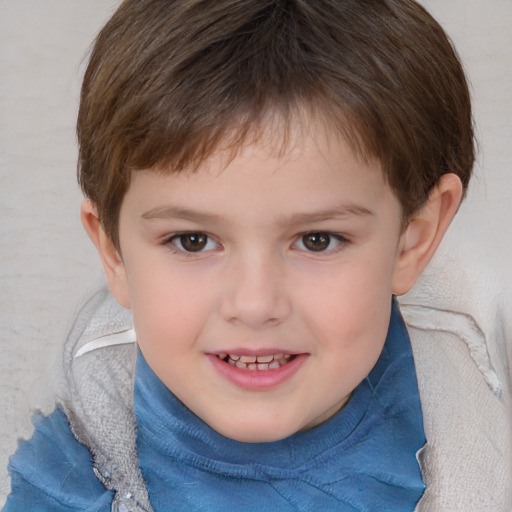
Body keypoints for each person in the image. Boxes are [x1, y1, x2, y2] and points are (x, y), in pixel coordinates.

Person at [4, 0, 508, 511]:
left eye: (317, 240)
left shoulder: (483, 426)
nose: (254, 304)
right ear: (114, 252)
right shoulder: (73, 473)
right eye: (193, 241)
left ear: (413, 238)